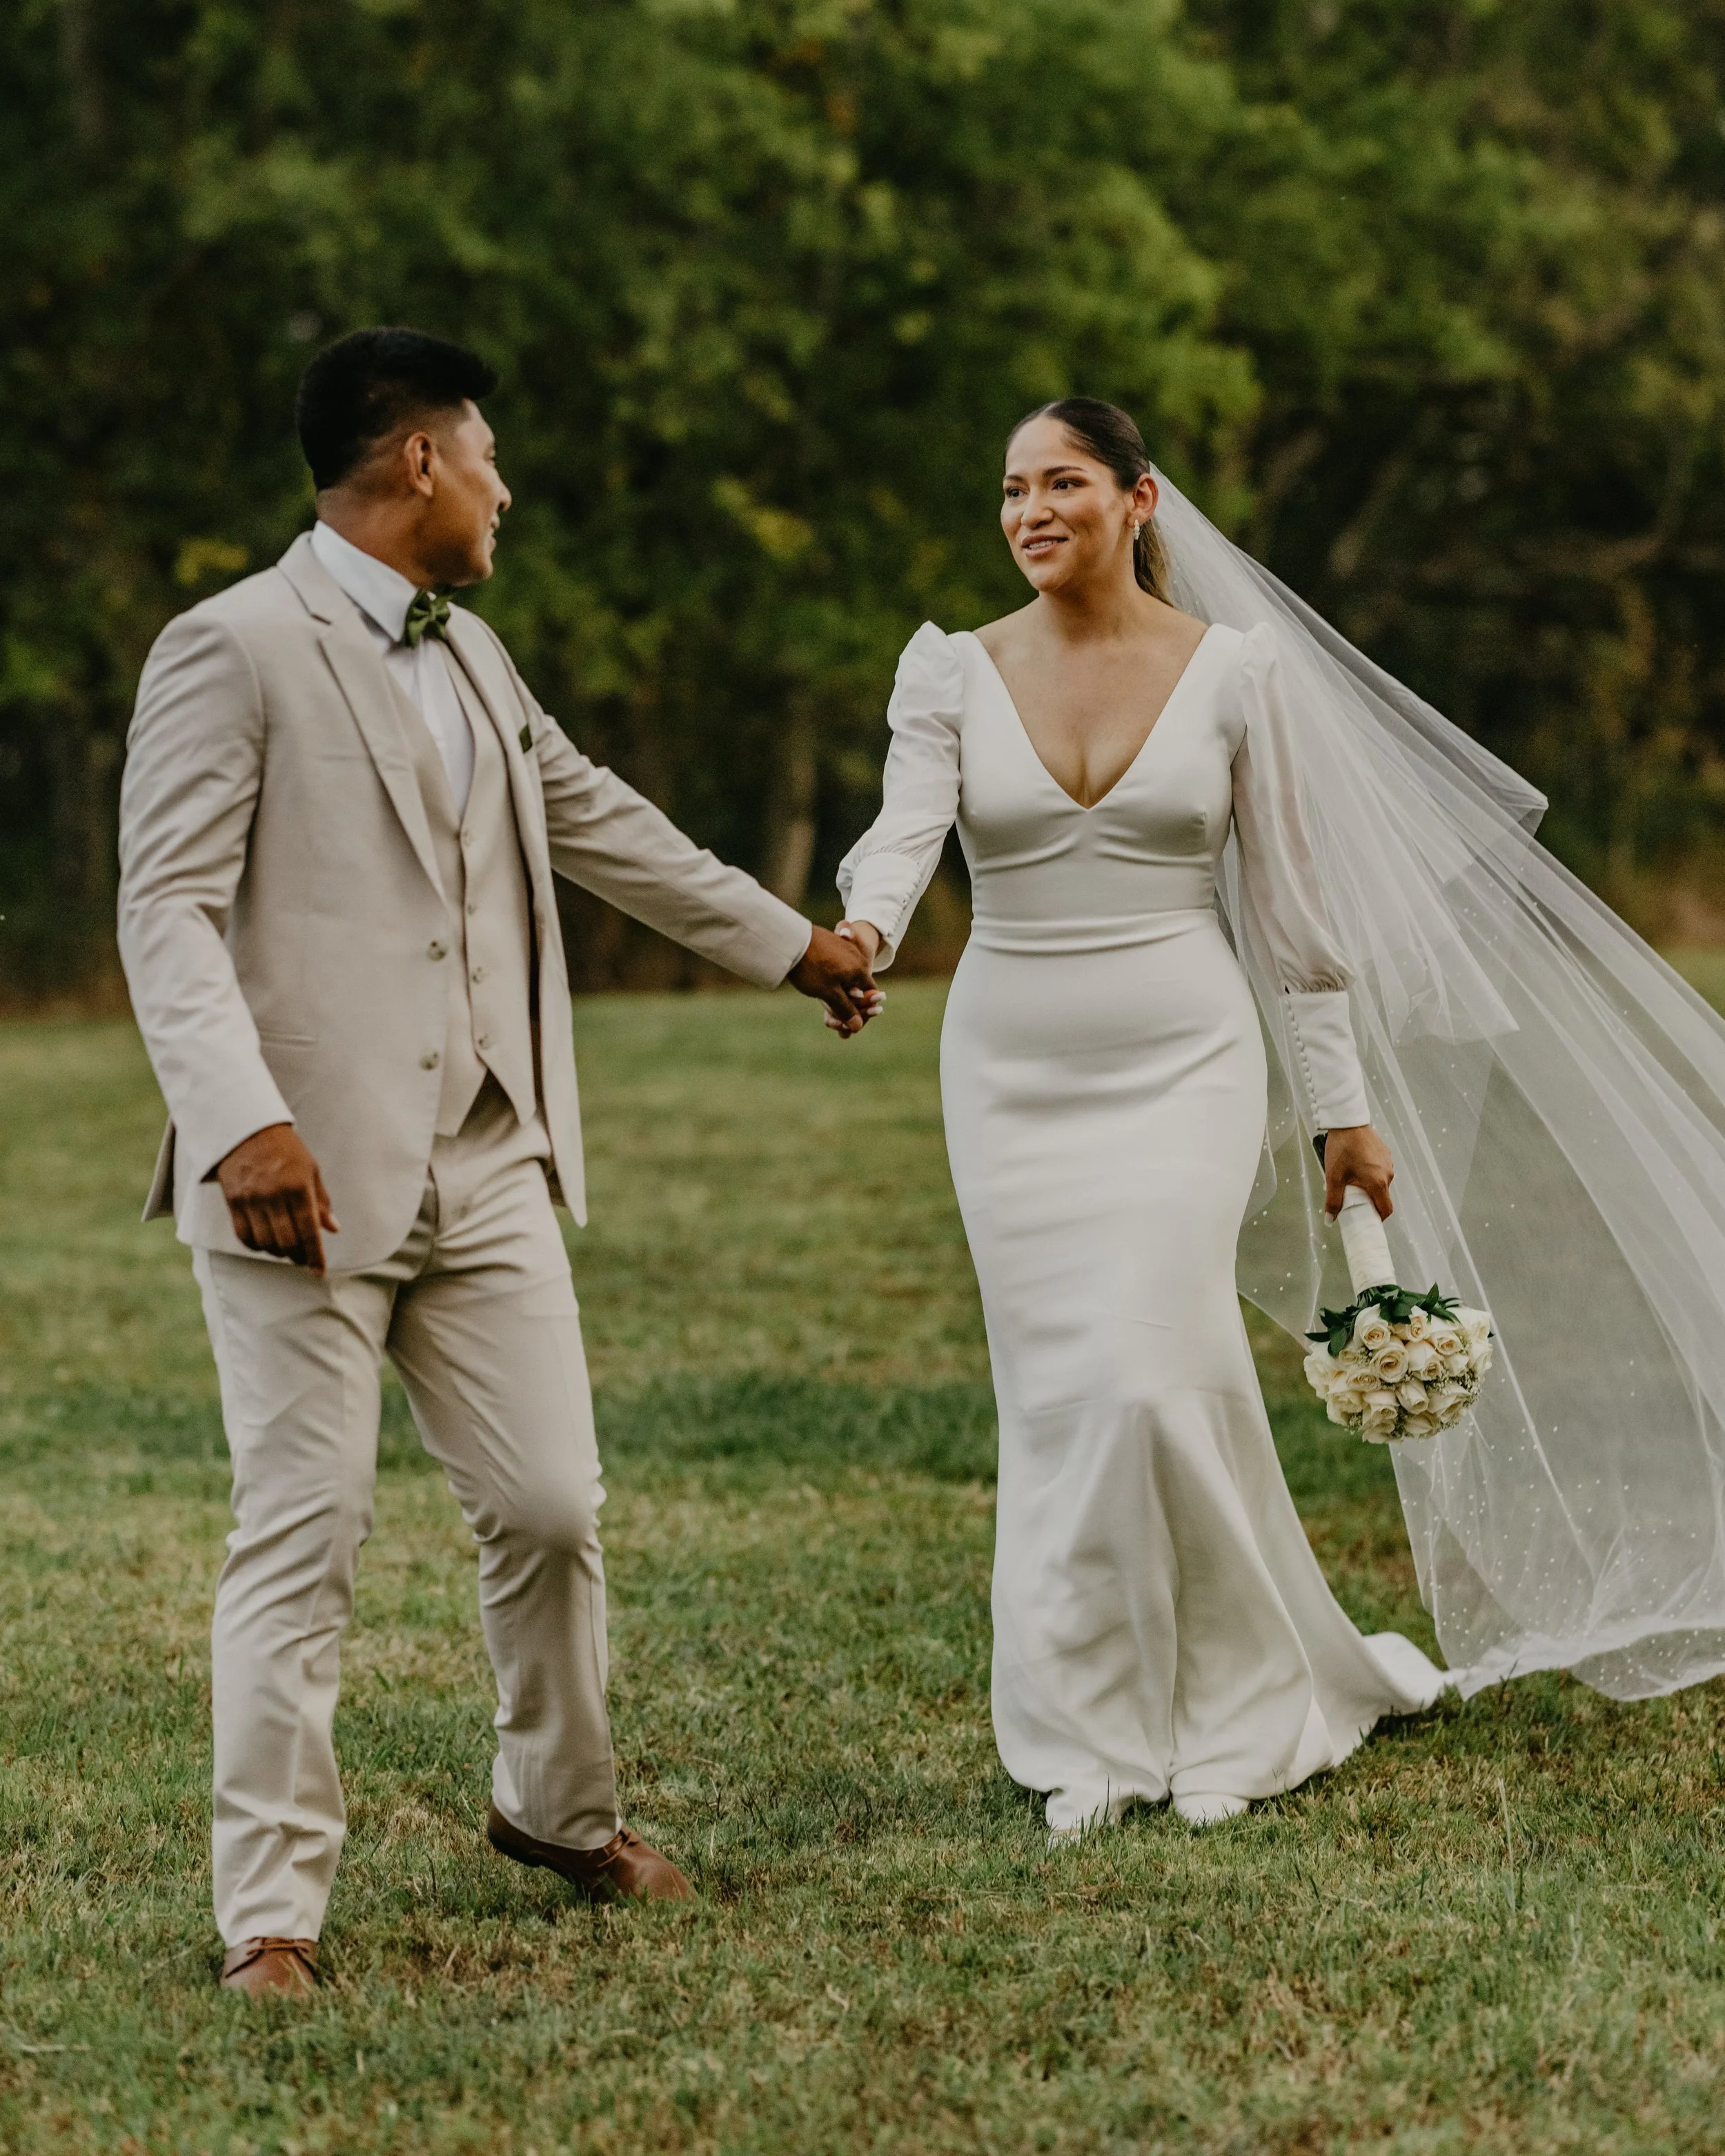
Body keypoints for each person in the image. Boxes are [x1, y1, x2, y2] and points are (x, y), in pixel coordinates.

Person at [117, 327, 880, 1995]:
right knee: (299, 1536)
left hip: (487, 1153)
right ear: (415, 465)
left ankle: (554, 1810)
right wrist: (240, 1116)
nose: (503, 488)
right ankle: (272, 1914)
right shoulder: (230, 645)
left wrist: (789, 945)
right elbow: (163, 904)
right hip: (294, 1177)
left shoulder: (475, 653)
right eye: (486, 456)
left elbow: (591, 815)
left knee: (548, 1505)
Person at [836, 398, 1452, 1837]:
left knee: (1146, 1372)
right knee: (1061, 1401)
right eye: (1008, 488)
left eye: (1060, 481)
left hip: (1181, 1053)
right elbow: (899, 839)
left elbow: (1291, 918)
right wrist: (860, 938)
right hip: (1008, 1071)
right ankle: (1089, 1734)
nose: (1028, 508)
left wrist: (1338, 1114)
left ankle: (1242, 1714)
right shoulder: (948, 670)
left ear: (1138, 499)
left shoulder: (1236, 674)